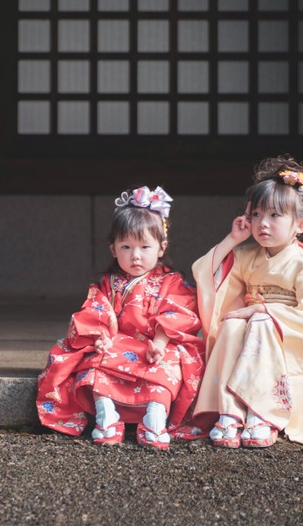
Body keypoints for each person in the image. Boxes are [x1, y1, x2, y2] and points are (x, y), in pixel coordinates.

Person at [192, 155, 303, 449]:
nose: (262, 224)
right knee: (231, 325)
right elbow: (205, 273)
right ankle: (230, 412)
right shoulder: (246, 256)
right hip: (255, 327)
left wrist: (263, 309)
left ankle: (263, 414)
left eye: (275, 216)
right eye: (256, 215)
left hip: (294, 334)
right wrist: (232, 239)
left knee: (262, 323)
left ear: (301, 224)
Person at [36, 186, 204, 449]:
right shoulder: (108, 283)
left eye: (144, 247)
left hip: (156, 344)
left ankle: (155, 417)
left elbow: (179, 312)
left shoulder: (172, 282)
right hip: (116, 341)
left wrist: (160, 343)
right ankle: (107, 414)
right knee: (96, 361)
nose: (135, 255)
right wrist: (100, 337)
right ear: (113, 249)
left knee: (168, 363)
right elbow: (95, 311)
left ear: (161, 248)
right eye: (126, 246)